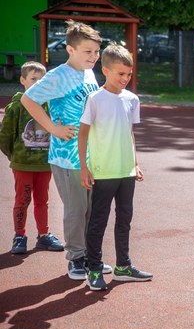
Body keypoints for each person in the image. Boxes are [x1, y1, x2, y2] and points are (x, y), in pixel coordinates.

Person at [20, 20, 112, 279]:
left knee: (93, 210)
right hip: (67, 157)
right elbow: (29, 99)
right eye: (88, 51)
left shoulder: (89, 73)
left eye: (96, 51)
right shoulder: (58, 76)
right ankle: (76, 258)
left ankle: (91, 256)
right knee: (76, 210)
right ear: (70, 50)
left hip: (92, 155)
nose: (93, 57)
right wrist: (52, 128)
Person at [78, 44, 152, 291]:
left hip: (126, 172)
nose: (125, 79)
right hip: (103, 171)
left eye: (128, 74)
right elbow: (83, 135)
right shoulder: (95, 99)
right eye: (120, 74)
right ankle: (94, 268)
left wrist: (136, 163)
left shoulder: (132, 99)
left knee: (125, 219)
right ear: (105, 70)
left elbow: (129, 133)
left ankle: (123, 267)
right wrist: (84, 168)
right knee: (98, 220)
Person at [0, 61, 64, 254]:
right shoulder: (16, 106)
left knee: (42, 200)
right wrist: (16, 156)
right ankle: (19, 236)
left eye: (42, 79)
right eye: (33, 79)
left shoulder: (51, 105)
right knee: (23, 200)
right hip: (23, 165)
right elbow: (5, 136)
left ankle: (43, 235)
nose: (38, 83)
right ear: (22, 80)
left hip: (44, 165)